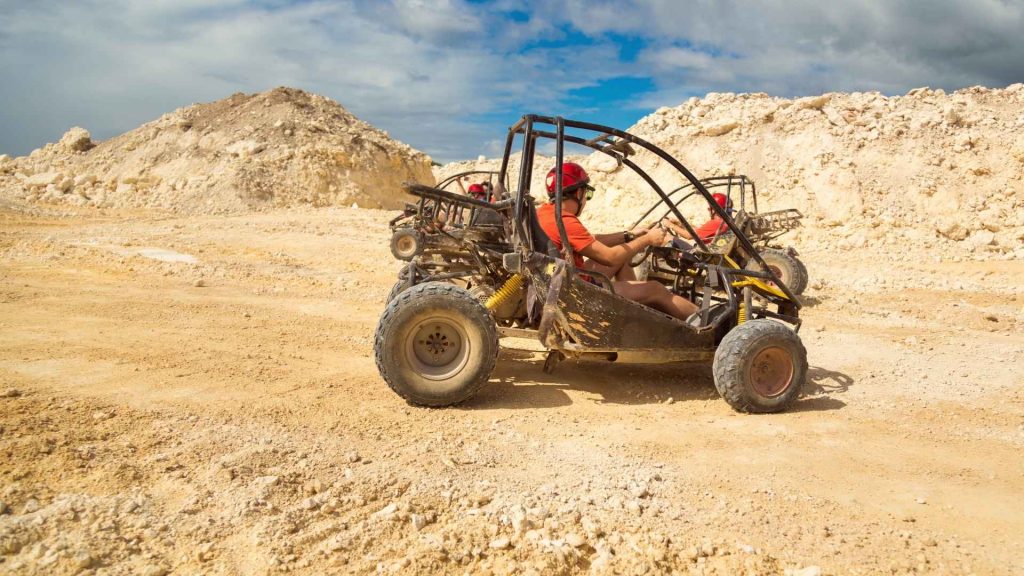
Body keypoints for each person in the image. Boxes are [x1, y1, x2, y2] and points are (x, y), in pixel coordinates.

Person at [536, 162, 699, 321]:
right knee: (656, 289)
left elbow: (591, 240)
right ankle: (707, 323)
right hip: (579, 293)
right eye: (588, 194)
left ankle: (636, 308)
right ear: (578, 193)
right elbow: (610, 257)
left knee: (623, 259)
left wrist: (628, 235)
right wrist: (648, 239)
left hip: (562, 283)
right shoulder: (565, 221)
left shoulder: (544, 213)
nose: (586, 199)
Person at [661, 192, 732, 243]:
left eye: (710, 207)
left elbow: (689, 236)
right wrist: (679, 224)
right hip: (709, 252)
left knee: (667, 239)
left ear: (714, 209)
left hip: (703, 256)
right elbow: (697, 231)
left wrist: (671, 225)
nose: (708, 209)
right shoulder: (725, 222)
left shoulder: (716, 223)